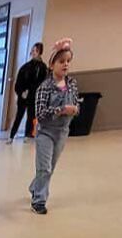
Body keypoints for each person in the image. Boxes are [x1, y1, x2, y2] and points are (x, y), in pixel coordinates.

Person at [29, 38, 79, 215]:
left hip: (62, 132)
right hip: (45, 132)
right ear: (52, 65)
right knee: (45, 167)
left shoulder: (71, 84)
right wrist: (60, 110)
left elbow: (76, 105)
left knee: (51, 166)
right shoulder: (45, 87)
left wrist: (74, 109)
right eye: (61, 61)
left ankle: (35, 186)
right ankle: (39, 201)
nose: (65, 65)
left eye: (67, 61)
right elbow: (40, 114)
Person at [7, 43, 47, 144]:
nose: (34, 53)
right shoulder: (25, 67)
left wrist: (33, 93)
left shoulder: (42, 68)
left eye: (36, 51)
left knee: (31, 116)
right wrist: (21, 93)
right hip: (23, 97)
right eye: (33, 51)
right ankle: (11, 135)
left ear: (40, 53)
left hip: (34, 97)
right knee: (19, 116)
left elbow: (42, 83)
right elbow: (18, 83)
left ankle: (28, 135)